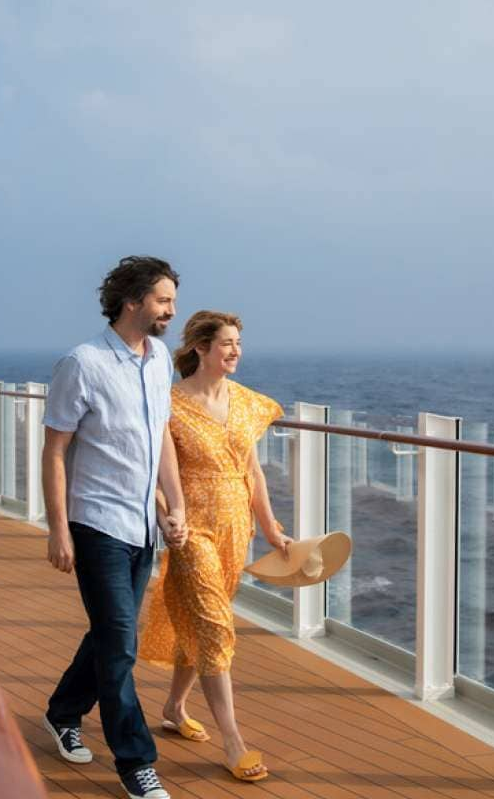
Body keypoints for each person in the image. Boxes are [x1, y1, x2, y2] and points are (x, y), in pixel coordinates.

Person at [42, 256, 189, 799]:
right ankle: (135, 762)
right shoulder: (81, 364)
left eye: (172, 301)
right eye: (163, 301)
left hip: (143, 528)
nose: (172, 311)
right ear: (133, 302)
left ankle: (62, 712)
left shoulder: (159, 364)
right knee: (121, 644)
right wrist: (58, 530)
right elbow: (54, 452)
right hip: (97, 524)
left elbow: (163, 437)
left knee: (110, 636)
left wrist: (176, 506)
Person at [137, 310, 290, 783]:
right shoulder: (170, 403)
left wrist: (271, 529)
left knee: (202, 625)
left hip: (234, 529)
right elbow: (156, 468)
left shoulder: (246, 403)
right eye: (226, 343)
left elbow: (252, 470)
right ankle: (234, 741)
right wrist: (168, 514)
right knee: (214, 623)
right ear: (200, 348)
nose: (236, 351)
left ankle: (174, 706)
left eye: (239, 343)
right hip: (192, 529)